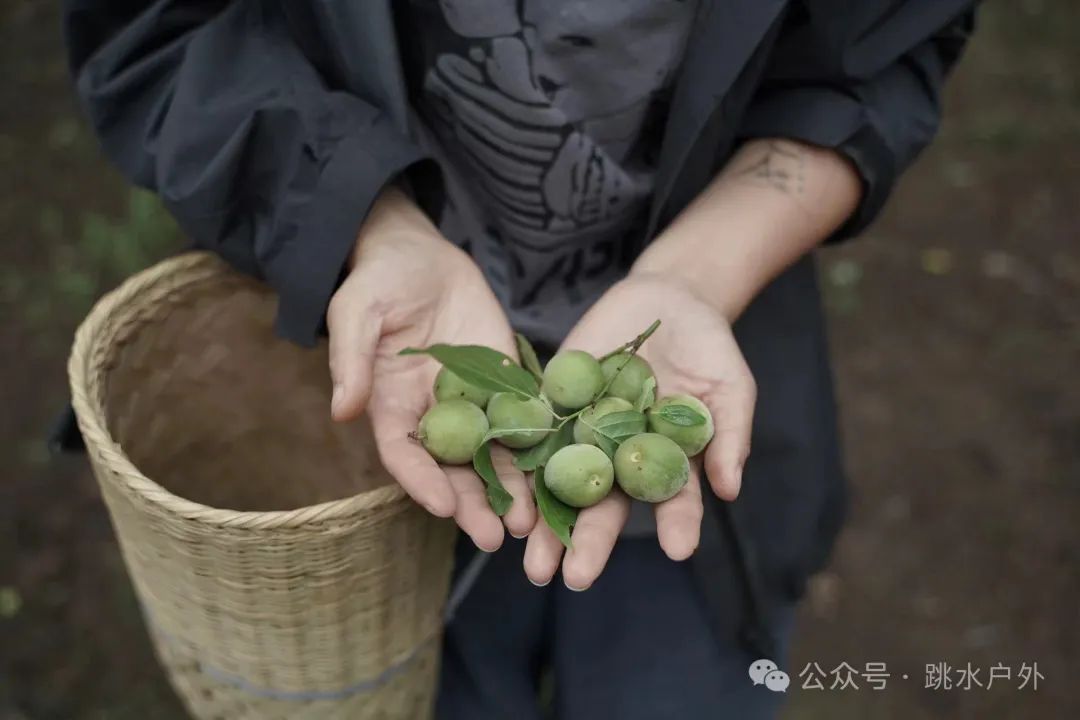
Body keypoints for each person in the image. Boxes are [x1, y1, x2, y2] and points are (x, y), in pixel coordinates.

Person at [62, 1, 976, 717]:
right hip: (385, 428)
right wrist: (369, 224)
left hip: (706, 433)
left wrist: (698, 275)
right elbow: (159, 29)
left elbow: (884, 52)